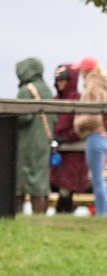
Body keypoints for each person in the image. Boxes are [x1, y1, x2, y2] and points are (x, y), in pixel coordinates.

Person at [71, 56, 107, 217]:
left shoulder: (93, 87)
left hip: (95, 135)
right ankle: (101, 211)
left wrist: (78, 123)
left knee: (97, 179)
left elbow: (93, 116)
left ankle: (101, 213)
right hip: (102, 135)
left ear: (85, 70)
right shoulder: (102, 85)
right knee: (98, 178)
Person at [14, 57, 53, 214]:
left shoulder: (26, 91)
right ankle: (40, 215)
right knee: (41, 178)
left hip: (27, 142)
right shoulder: (47, 90)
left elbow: (23, 117)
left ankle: (17, 213)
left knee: (21, 179)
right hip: (44, 141)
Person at [50, 64, 90, 213]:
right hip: (56, 152)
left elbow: (82, 125)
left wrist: (66, 137)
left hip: (73, 153)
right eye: (58, 80)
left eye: (64, 80)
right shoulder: (53, 100)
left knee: (66, 187)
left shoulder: (78, 99)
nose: (61, 83)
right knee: (57, 185)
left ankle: (63, 213)